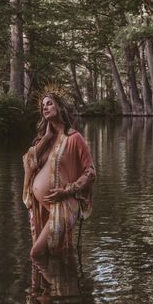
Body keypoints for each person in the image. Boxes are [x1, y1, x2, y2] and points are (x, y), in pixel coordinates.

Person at [22, 91, 96, 257]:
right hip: (42, 206)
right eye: (43, 106)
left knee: (36, 254)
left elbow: (90, 172)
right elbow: (28, 162)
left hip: (64, 203)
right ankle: (58, 281)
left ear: (60, 107)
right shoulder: (44, 139)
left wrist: (67, 191)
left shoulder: (74, 137)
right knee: (54, 254)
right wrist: (47, 137)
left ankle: (56, 282)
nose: (45, 108)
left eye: (49, 103)